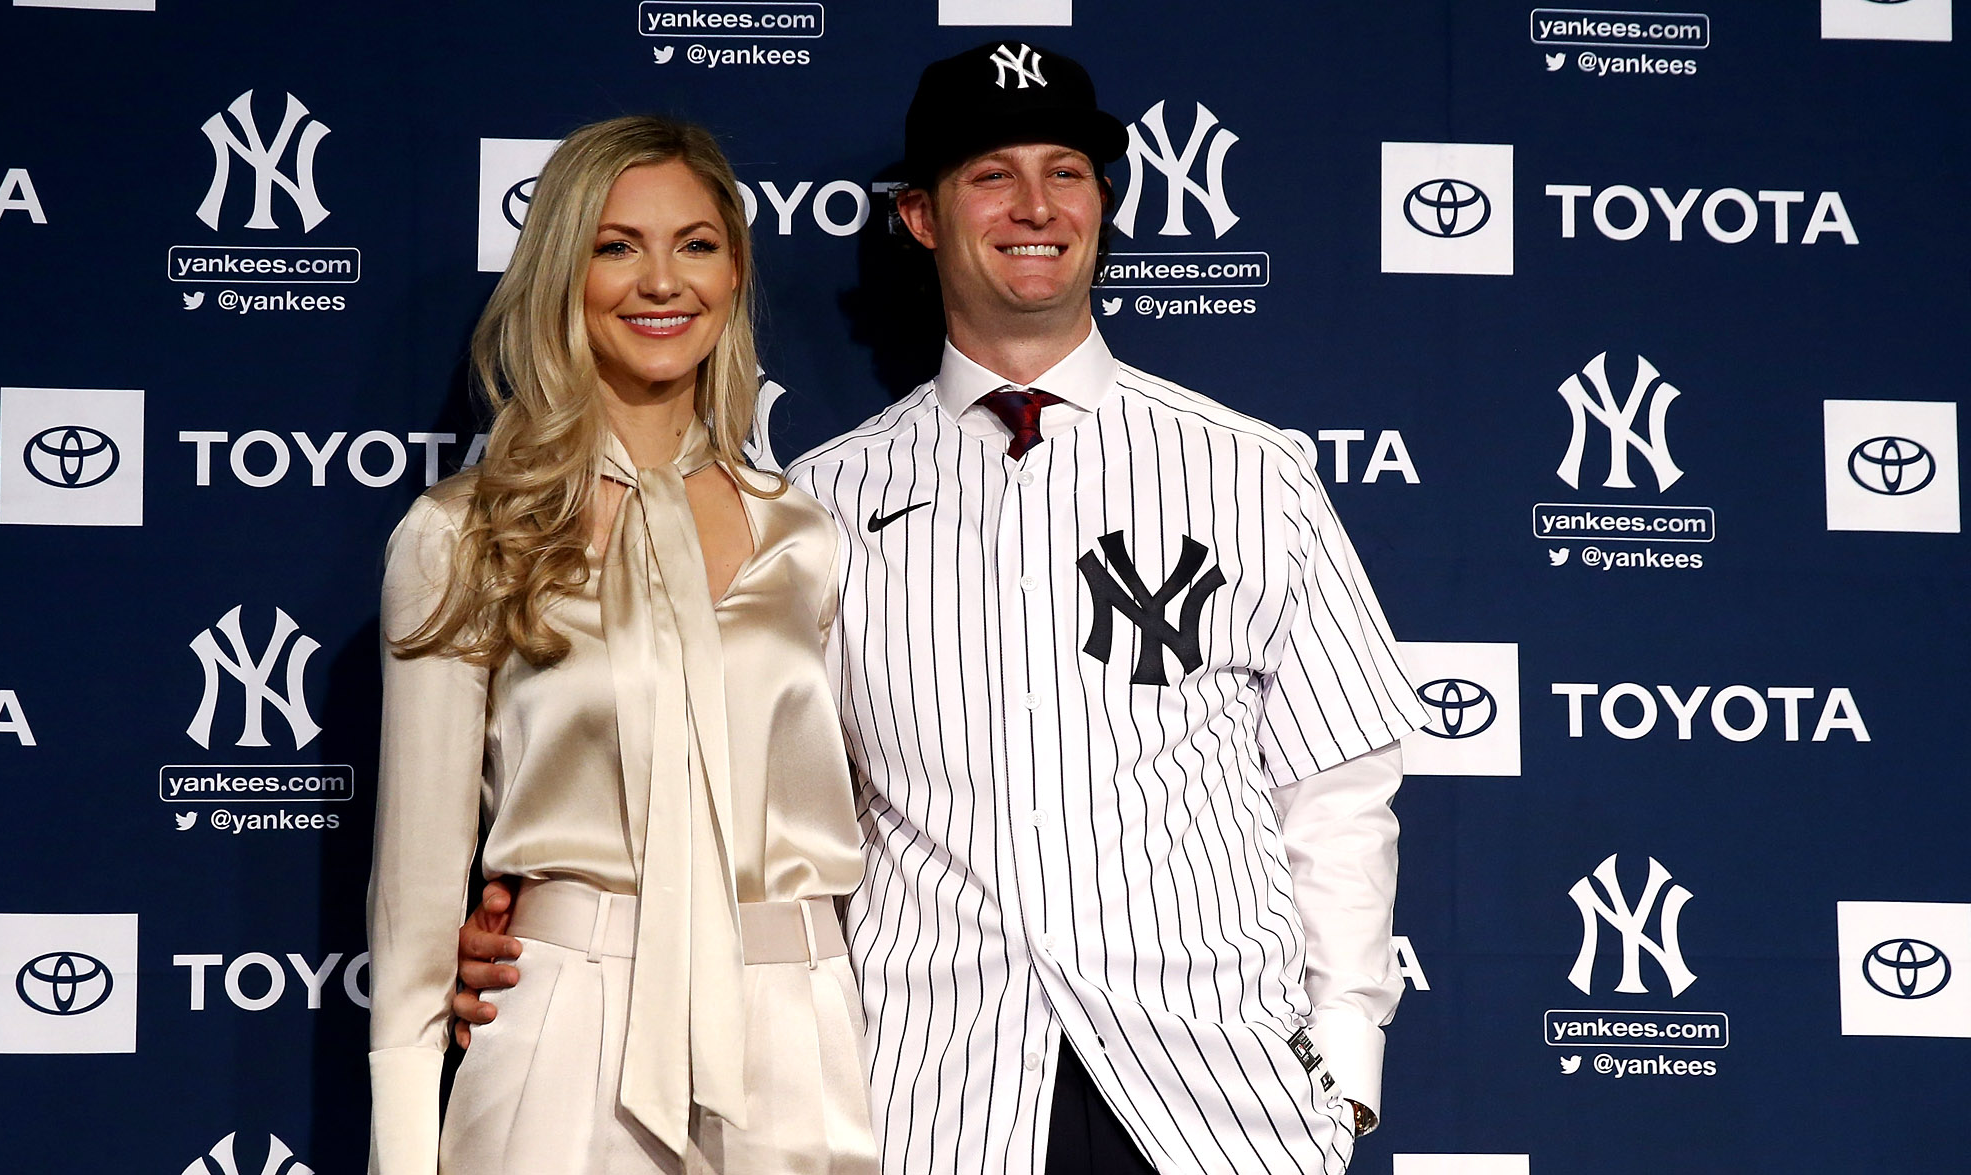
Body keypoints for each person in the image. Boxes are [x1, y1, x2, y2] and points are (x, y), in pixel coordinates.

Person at [457, 43, 1426, 1175]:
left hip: (1214, 1093)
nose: (1033, 207)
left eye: (1065, 171)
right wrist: (535, 921)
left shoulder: (1248, 474)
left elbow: (1339, 792)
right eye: (989, 175)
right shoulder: (815, 504)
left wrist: (1343, 1066)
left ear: (1101, 201)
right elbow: (734, 795)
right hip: (936, 1092)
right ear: (920, 216)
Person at [369, 115, 876, 1175]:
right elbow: (418, 900)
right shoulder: (463, 532)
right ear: (563, 270)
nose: (660, 281)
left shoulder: (808, 535)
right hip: (564, 1027)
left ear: (735, 271)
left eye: (694, 243)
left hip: (796, 1034)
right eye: (615, 245)